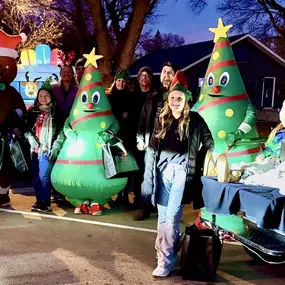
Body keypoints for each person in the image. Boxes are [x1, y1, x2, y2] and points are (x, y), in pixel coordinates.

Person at [144, 71, 214, 277]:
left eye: (179, 98)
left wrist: (197, 161)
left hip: (182, 175)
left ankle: (165, 261)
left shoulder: (196, 120)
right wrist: (148, 178)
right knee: (163, 218)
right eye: (172, 98)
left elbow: (210, 144)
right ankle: (164, 254)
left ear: (186, 100)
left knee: (172, 218)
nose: (175, 101)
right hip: (162, 173)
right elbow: (152, 150)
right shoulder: (162, 120)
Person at [133, 61, 178, 221]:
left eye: (170, 72)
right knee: (148, 176)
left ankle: (164, 207)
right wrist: (140, 138)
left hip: (171, 145)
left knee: (166, 176)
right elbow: (144, 118)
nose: (166, 74)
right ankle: (144, 207)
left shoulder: (180, 94)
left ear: (175, 75)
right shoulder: (153, 94)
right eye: (164, 71)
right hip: (152, 142)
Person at [24, 80, 65, 212]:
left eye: (46, 95)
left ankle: (46, 203)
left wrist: (56, 147)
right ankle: (39, 200)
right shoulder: (32, 111)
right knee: (35, 177)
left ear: (51, 96)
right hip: (34, 150)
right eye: (40, 96)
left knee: (44, 176)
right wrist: (29, 137)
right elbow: (25, 127)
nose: (43, 98)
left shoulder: (56, 113)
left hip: (47, 149)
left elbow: (61, 131)